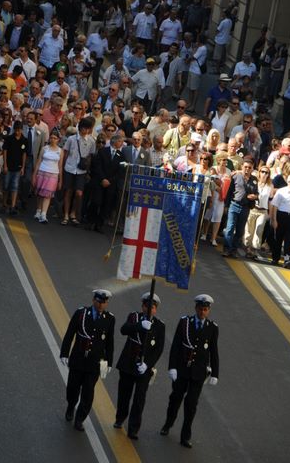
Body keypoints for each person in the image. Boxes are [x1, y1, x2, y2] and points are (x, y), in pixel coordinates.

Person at [160, 294, 219, 448]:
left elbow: (213, 351)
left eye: (205, 310)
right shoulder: (185, 322)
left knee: (191, 404)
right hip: (182, 370)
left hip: (198, 373)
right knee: (175, 399)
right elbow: (176, 346)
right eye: (200, 309)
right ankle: (168, 424)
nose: (202, 312)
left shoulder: (212, 328)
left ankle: (185, 436)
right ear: (196, 308)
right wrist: (172, 367)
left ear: (208, 310)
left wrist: (215, 373)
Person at [60, 289, 115, 432]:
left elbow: (109, 342)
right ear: (93, 300)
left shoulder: (110, 319)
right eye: (99, 302)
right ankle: (71, 406)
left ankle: (80, 419)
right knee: (72, 388)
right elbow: (70, 333)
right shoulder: (81, 313)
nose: (101, 305)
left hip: (94, 363)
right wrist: (64, 353)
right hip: (78, 359)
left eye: (104, 302)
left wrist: (109, 361)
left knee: (88, 392)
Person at [114, 291, 165, 439]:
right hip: (128, 363)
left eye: (152, 307)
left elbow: (159, 349)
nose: (149, 310)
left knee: (139, 399)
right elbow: (124, 330)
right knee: (124, 395)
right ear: (142, 307)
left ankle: (133, 429)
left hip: (143, 368)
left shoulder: (160, 325)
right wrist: (139, 325)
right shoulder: (134, 317)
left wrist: (147, 365)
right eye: (147, 306)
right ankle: (120, 418)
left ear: (156, 309)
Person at [222, 158, 258, 257]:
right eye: (245, 167)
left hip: (245, 207)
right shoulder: (236, 176)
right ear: (242, 167)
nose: (247, 169)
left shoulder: (254, 179)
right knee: (230, 228)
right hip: (234, 205)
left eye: (249, 167)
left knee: (240, 230)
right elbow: (229, 192)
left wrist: (255, 196)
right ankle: (226, 249)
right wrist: (226, 205)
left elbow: (256, 192)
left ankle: (234, 250)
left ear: (252, 168)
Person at [32, 128, 63, 223]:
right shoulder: (44, 148)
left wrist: (60, 180)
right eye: (51, 138)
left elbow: (60, 166)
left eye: (55, 138)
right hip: (42, 172)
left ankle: (43, 214)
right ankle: (38, 211)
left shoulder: (60, 151)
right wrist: (34, 175)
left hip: (53, 175)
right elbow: (38, 162)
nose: (53, 140)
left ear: (58, 140)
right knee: (40, 193)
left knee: (47, 195)